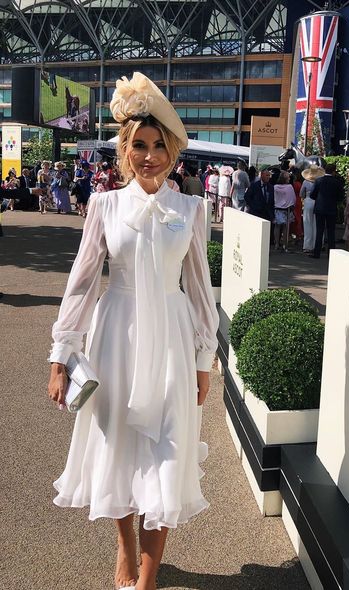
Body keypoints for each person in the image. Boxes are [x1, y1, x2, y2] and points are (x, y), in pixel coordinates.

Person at [47, 71, 219, 590]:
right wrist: (61, 356)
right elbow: (80, 286)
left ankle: (147, 578)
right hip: (116, 338)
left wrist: (202, 359)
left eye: (159, 146)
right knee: (117, 447)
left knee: (169, 450)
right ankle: (125, 549)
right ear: (125, 149)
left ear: (172, 151)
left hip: (170, 339)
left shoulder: (191, 210)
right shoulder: (104, 206)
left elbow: (201, 291)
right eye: (139, 145)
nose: (150, 156)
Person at [309, 162, 344, 258]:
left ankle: (317, 253)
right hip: (332, 209)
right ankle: (331, 253)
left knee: (319, 231)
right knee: (331, 231)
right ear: (333, 171)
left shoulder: (318, 181)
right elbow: (341, 197)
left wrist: (318, 199)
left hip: (320, 208)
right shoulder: (337, 182)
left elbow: (312, 194)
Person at [300, 165, 324, 253]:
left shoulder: (305, 182)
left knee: (307, 224)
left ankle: (307, 245)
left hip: (308, 201)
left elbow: (301, 193)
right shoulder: (320, 181)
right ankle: (317, 244)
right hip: (318, 202)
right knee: (317, 224)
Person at [273, 170, 296, 251]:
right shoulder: (289, 187)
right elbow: (293, 198)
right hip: (287, 209)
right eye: (288, 177)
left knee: (277, 227)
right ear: (286, 179)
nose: (289, 178)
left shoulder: (275, 187)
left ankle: (276, 243)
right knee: (286, 227)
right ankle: (284, 244)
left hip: (277, 208)